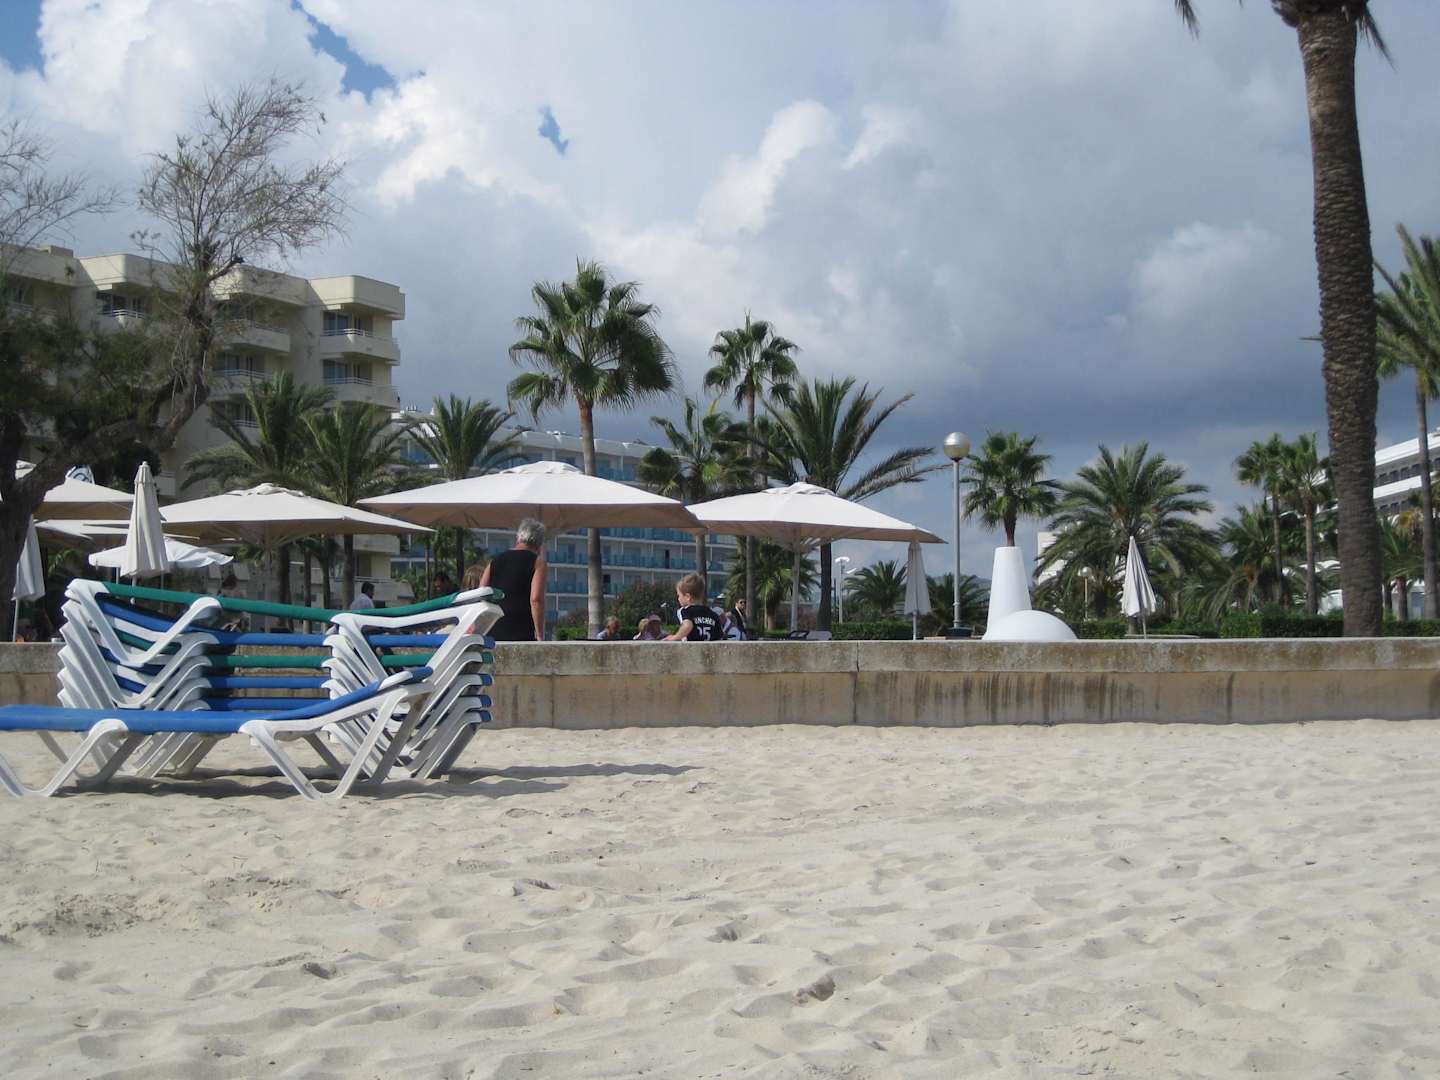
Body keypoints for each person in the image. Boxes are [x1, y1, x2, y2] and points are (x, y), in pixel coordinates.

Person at [479, 519, 547, 641]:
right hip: (521, 629)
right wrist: (540, 634)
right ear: (539, 545)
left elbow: (482, 593)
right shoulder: (538, 562)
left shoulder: (495, 561)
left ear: (518, 538)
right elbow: (536, 599)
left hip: (494, 626)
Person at [666, 573, 722, 642]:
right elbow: (719, 635)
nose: (678, 599)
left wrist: (675, 637)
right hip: (710, 648)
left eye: (679, 595)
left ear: (687, 597)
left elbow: (687, 626)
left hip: (692, 647)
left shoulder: (685, 611)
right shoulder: (713, 614)